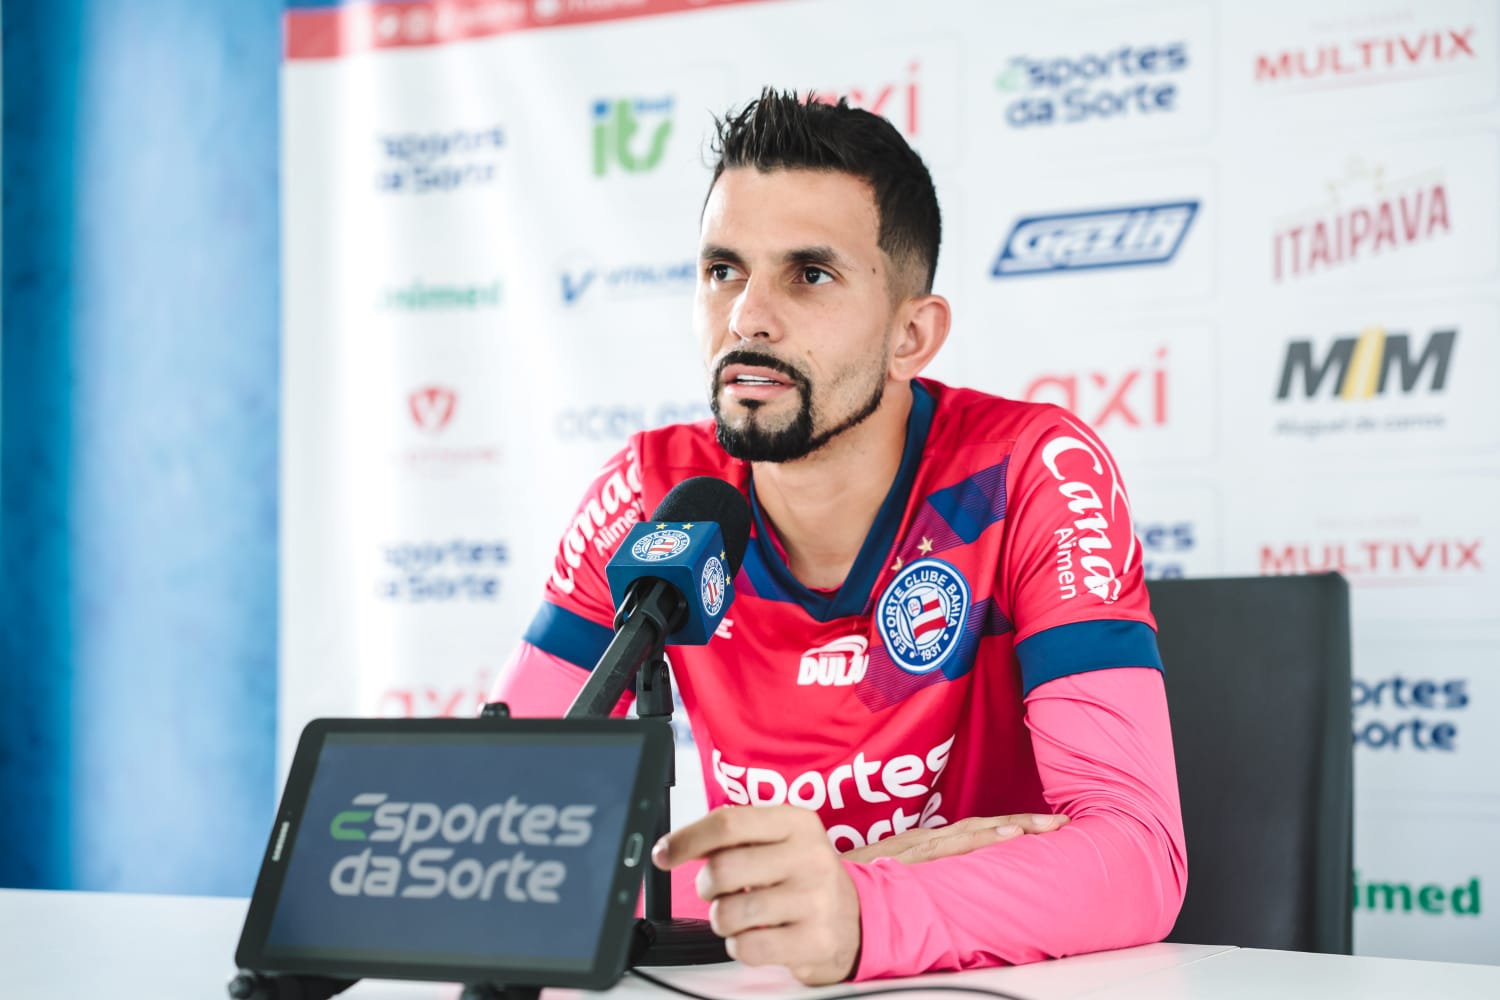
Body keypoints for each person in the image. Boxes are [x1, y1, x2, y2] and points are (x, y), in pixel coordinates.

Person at [494, 89, 1186, 984]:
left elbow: (1138, 855)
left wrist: (861, 909)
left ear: (911, 334)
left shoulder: (1027, 470)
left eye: (808, 275)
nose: (747, 317)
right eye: (722, 270)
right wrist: (851, 879)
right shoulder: (650, 493)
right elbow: (503, 839)